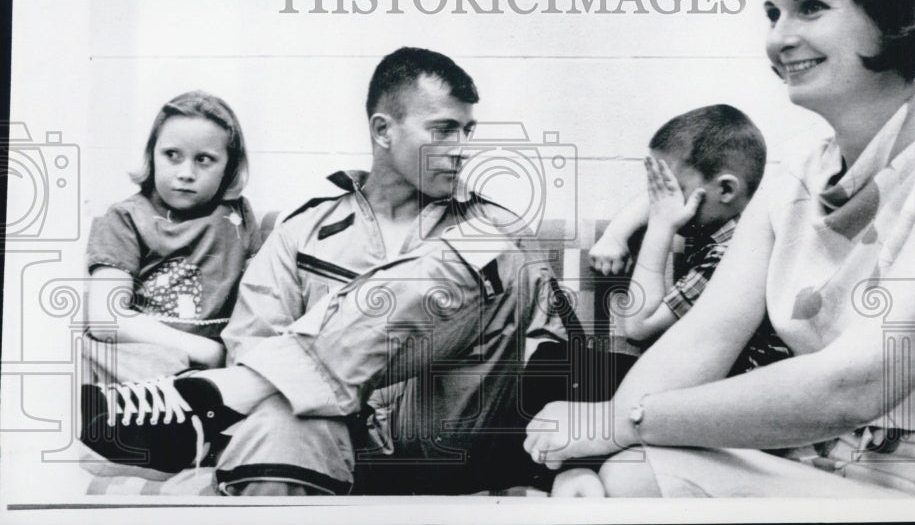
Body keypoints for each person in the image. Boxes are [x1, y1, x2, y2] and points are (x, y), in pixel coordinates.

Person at [525, 0, 915, 499]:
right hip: (805, 466)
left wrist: (621, 424)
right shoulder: (791, 179)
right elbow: (699, 341)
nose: (778, 39)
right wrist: (597, 447)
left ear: (894, 10)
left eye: (809, 7)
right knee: (620, 479)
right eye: (772, 14)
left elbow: (858, 385)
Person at [80, 47, 564, 494]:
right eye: (442, 130)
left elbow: (552, 356)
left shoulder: (498, 230)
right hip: (327, 440)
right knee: (277, 421)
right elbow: (253, 340)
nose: (461, 148)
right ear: (382, 130)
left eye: (467, 131)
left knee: (486, 245)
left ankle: (215, 396)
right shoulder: (304, 231)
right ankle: (247, 398)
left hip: (453, 441)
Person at [589, 106, 788, 375]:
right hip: (709, 375)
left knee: (550, 374)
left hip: (736, 387)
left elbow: (639, 327)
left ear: (727, 189)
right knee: (553, 360)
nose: (663, 200)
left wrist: (661, 224)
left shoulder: (729, 252)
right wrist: (615, 234)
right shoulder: (734, 219)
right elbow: (659, 197)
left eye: (673, 189)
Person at [82, 90, 260, 384]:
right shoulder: (126, 217)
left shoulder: (237, 213)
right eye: (172, 155)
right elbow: (105, 318)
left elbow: (259, 296)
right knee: (105, 354)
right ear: (152, 154)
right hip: (150, 353)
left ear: (230, 166)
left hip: (225, 361)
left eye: (204, 159)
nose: (186, 172)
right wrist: (205, 351)